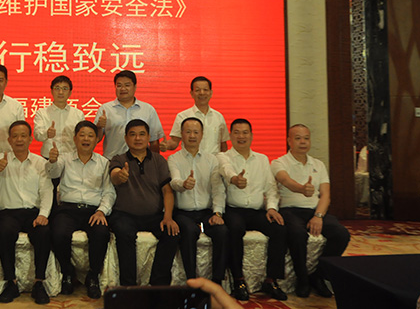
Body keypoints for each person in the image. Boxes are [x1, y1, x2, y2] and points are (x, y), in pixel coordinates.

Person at [271, 124, 351, 298]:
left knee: (341, 234)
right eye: (298, 138)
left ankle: (318, 275)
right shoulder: (279, 162)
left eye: (306, 138)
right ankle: (302, 279)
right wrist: (301, 189)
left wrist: (318, 216)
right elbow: (285, 180)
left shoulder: (318, 164)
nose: (303, 142)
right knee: (297, 234)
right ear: (289, 141)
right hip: (290, 210)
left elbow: (326, 195)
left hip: (314, 210)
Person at [217, 118, 287, 301]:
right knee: (235, 229)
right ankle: (238, 280)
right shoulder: (223, 156)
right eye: (237, 132)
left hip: (256, 211)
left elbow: (271, 188)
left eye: (245, 132)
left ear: (252, 135)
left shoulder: (262, 159)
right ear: (230, 136)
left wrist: (271, 208)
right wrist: (235, 179)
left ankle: (271, 280)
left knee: (279, 227)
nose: (241, 136)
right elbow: (226, 170)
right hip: (233, 210)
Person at [46, 120, 114, 299]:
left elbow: (109, 192)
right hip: (68, 209)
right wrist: (52, 161)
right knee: (58, 232)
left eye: (90, 135)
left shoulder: (104, 163)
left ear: (96, 139)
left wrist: (101, 211)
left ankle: (93, 276)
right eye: (82, 135)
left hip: (93, 210)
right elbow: (52, 173)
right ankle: (68, 273)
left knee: (101, 233)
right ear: (75, 138)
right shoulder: (64, 158)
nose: (86, 139)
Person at [108, 119, 179, 286]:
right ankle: (128, 286)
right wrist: (120, 175)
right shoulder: (118, 159)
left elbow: (167, 191)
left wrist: (168, 217)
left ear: (148, 137)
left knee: (172, 234)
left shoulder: (159, 160)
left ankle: (158, 284)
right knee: (124, 233)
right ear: (126, 138)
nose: (137, 138)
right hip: (124, 215)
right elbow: (115, 176)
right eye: (132, 134)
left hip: (153, 215)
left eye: (142, 134)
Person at [0, 120, 53, 304]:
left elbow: (46, 191)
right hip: (8, 213)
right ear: (9, 140)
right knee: (4, 231)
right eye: (15, 136)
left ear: (30, 139)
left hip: (33, 212)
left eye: (23, 136)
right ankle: (11, 283)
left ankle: (39, 283)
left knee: (43, 232)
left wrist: (43, 214)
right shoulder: (1, 158)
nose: (19, 139)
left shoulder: (40, 163)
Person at [168, 117, 228, 284]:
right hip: (183, 213)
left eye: (196, 132)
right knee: (189, 231)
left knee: (222, 231)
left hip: (206, 212)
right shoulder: (174, 159)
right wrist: (183, 184)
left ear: (202, 135)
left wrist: (217, 213)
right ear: (182, 134)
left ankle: (217, 282)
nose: (192, 136)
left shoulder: (212, 160)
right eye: (188, 132)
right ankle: (191, 281)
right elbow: (174, 181)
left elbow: (218, 189)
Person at [94, 70, 164, 159]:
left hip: (141, 162)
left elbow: (154, 141)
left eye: (127, 85)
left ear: (135, 87)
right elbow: (96, 139)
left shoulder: (148, 109)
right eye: (119, 85)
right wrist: (99, 127)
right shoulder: (105, 109)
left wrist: (153, 162)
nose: (123, 89)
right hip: (112, 161)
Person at [162, 76, 228, 154]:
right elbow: (174, 141)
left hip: (214, 160)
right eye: (197, 90)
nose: (202, 93)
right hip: (190, 160)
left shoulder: (219, 117)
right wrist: (166, 145)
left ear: (211, 93)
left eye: (205, 90)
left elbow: (223, 144)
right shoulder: (182, 116)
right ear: (192, 93)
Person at [33, 75, 84, 157]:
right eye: (57, 88)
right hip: (48, 157)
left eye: (65, 89)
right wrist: (47, 133)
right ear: (51, 91)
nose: (60, 92)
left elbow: (82, 137)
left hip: (71, 158)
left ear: (70, 92)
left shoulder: (78, 114)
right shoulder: (42, 113)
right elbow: (37, 135)